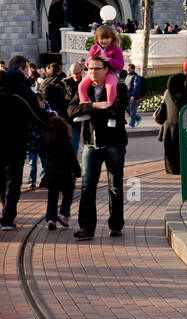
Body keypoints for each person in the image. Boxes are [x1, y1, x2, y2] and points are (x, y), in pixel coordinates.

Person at [0, 56, 45, 231]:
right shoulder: (23, 90)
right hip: (15, 141)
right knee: (14, 180)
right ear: (21, 69)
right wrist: (51, 120)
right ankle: (8, 215)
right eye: (27, 69)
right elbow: (36, 116)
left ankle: (6, 208)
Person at [69, 54, 128, 239]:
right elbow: (71, 110)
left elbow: (117, 109)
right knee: (87, 187)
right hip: (90, 144)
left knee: (115, 187)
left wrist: (90, 108)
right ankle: (87, 228)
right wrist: (95, 106)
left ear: (106, 70)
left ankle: (116, 225)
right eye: (90, 69)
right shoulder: (82, 89)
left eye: (97, 69)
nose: (93, 72)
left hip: (114, 143)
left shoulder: (119, 87)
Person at [41, 114, 81, 230]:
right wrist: (78, 172)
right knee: (68, 193)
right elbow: (72, 160)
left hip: (51, 174)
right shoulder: (66, 143)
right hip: (65, 174)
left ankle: (51, 219)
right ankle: (63, 214)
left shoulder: (47, 141)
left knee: (52, 196)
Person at [78, 25, 124, 104]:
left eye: (107, 38)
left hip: (111, 72)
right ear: (97, 39)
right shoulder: (94, 48)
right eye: (101, 38)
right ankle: (86, 105)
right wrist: (88, 62)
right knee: (81, 86)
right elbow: (86, 64)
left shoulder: (116, 49)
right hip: (95, 72)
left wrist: (109, 60)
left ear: (112, 38)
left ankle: (110, 106)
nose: (104, 41)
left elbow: (120, 65)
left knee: (110, 87)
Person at [155, 71, 187, 175]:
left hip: (167, 124)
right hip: (181, 125)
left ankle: (170, 170)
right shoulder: (184, 93)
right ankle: (181, 169)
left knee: (169, 149)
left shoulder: (167, 93)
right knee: (181, 149)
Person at [124, 63, 144, 129]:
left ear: (133, 69)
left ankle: (132, 124)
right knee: (127, 109)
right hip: (127, 96)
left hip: (133, 96)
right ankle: (138, 118)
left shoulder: (136, 77)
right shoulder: (127, 76)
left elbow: (136, 87)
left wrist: (133, 96)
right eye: (127, 69)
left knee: (132, 110)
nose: (127, 70)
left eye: (129, 69)